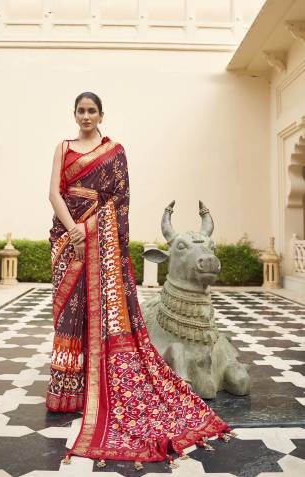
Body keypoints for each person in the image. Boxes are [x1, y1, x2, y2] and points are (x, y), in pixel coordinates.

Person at [46, 91, 234, 470]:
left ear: (101, 114)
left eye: (91, 111)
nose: (86, 116)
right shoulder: (63, 147)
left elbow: (119, 200)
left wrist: (94, 227)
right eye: (81, 111)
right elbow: (54, 192)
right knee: (70, 311)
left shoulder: (114, 150)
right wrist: (75, 230)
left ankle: (98, 389)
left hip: (102, 242)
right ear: (74, 114)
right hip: (69, 240)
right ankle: (72, 389)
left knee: (100, 316)